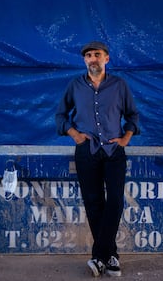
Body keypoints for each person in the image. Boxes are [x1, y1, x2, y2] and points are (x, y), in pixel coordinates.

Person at [55, 41, 140, 277]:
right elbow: (60, 115)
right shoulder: (75, 86)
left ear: (107, 59)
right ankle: (110, 257)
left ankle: (99, 256)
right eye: (89, 56)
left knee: (115, 201)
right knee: (93, 203)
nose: (93, 59)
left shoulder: (119, 86)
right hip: (87, 151)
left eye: (97, 55)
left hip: (114, 152)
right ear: (85, 60)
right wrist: (74, 135)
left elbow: (133, 115)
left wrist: (126, 138)